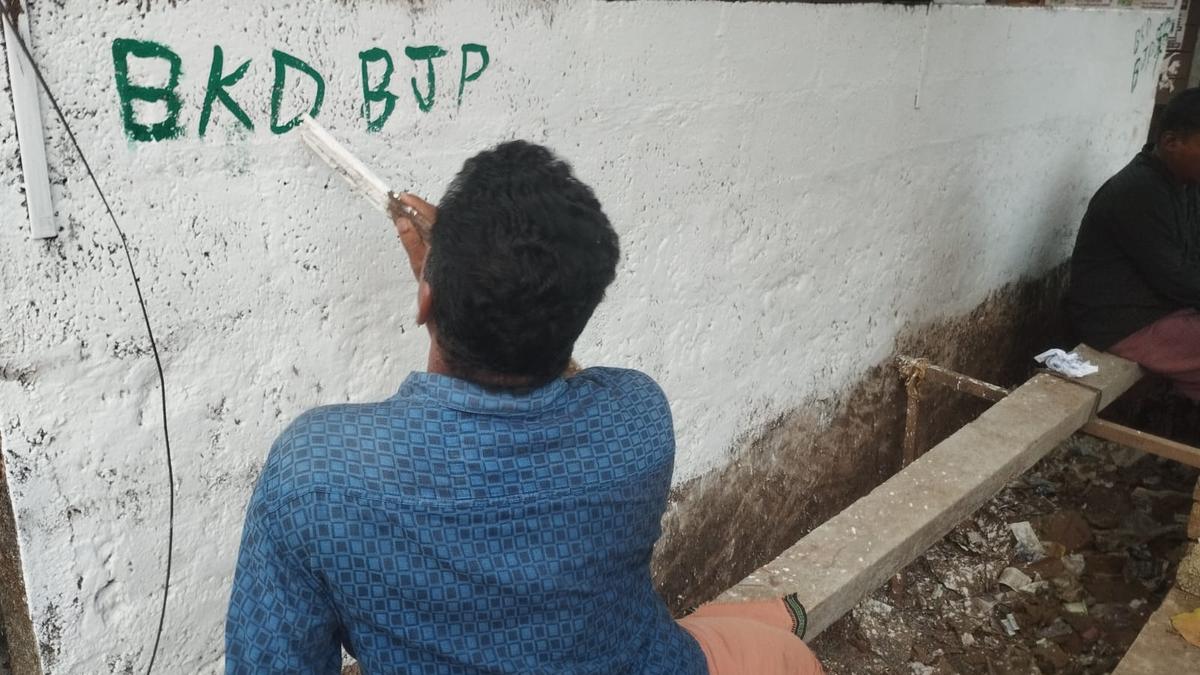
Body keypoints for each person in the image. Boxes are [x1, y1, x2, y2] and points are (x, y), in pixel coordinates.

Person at [225, 140, 824, 674]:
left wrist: (448, 281)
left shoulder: (316, 477)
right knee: (786, 656)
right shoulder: (638, 419)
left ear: (424, 300)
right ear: (581, 314)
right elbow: (550, 357)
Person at [1066, 88, 1200, 401]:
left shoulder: (1187, 183)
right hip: (1121, 323)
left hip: (1164, 310)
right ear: (1171, 142)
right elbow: (1175, 278)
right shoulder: (1138, 191)